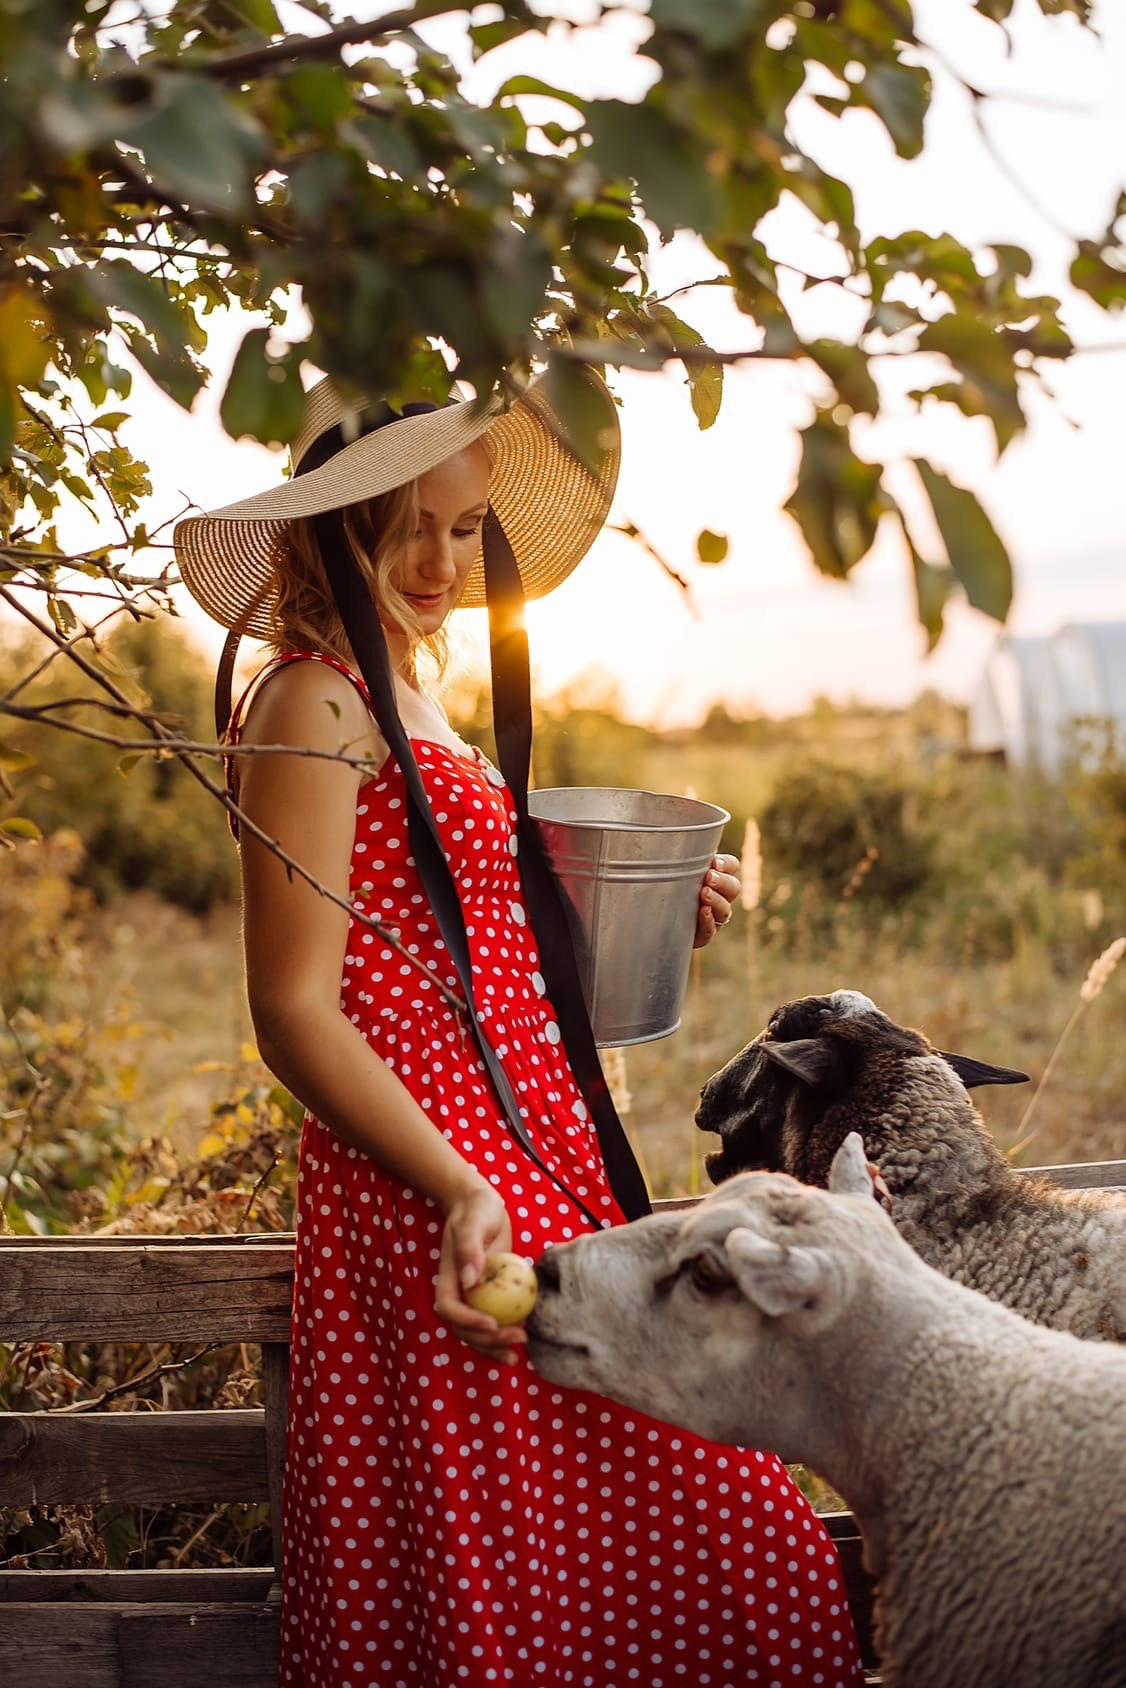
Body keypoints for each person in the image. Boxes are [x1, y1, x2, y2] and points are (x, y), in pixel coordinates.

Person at [175, 371, 863, 1688]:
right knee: (705, 1527)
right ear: (336, 529)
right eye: (406, 527)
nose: (441, 560)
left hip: (521, 1148)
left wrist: (664, 916)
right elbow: (292, 1009)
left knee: (657, 1542)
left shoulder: (414, 696)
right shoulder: (312, 700)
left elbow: (487, 967)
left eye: (466, 526)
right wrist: (454, 1186)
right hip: (435, 1178)